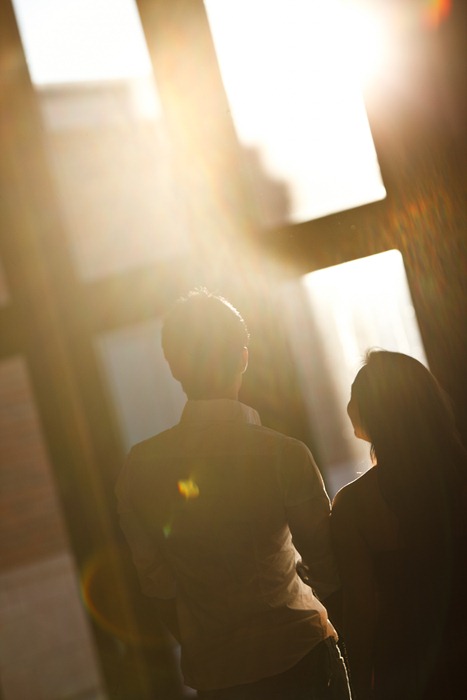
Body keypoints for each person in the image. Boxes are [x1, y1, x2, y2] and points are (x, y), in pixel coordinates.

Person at [116, 288, 351, 700]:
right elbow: (328, 568)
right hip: (300, 656)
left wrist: (211, 637)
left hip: (219, 676)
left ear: (173, 366)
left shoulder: (139, 467)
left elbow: (155, 583)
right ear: (243, 358)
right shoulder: (282, 454)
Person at [331, 350, 467, 700]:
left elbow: (361, 610)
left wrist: (361, 686)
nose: (347, 406)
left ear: (372, 410)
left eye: (354, 396)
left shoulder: (354, 505)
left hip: (410, 667)